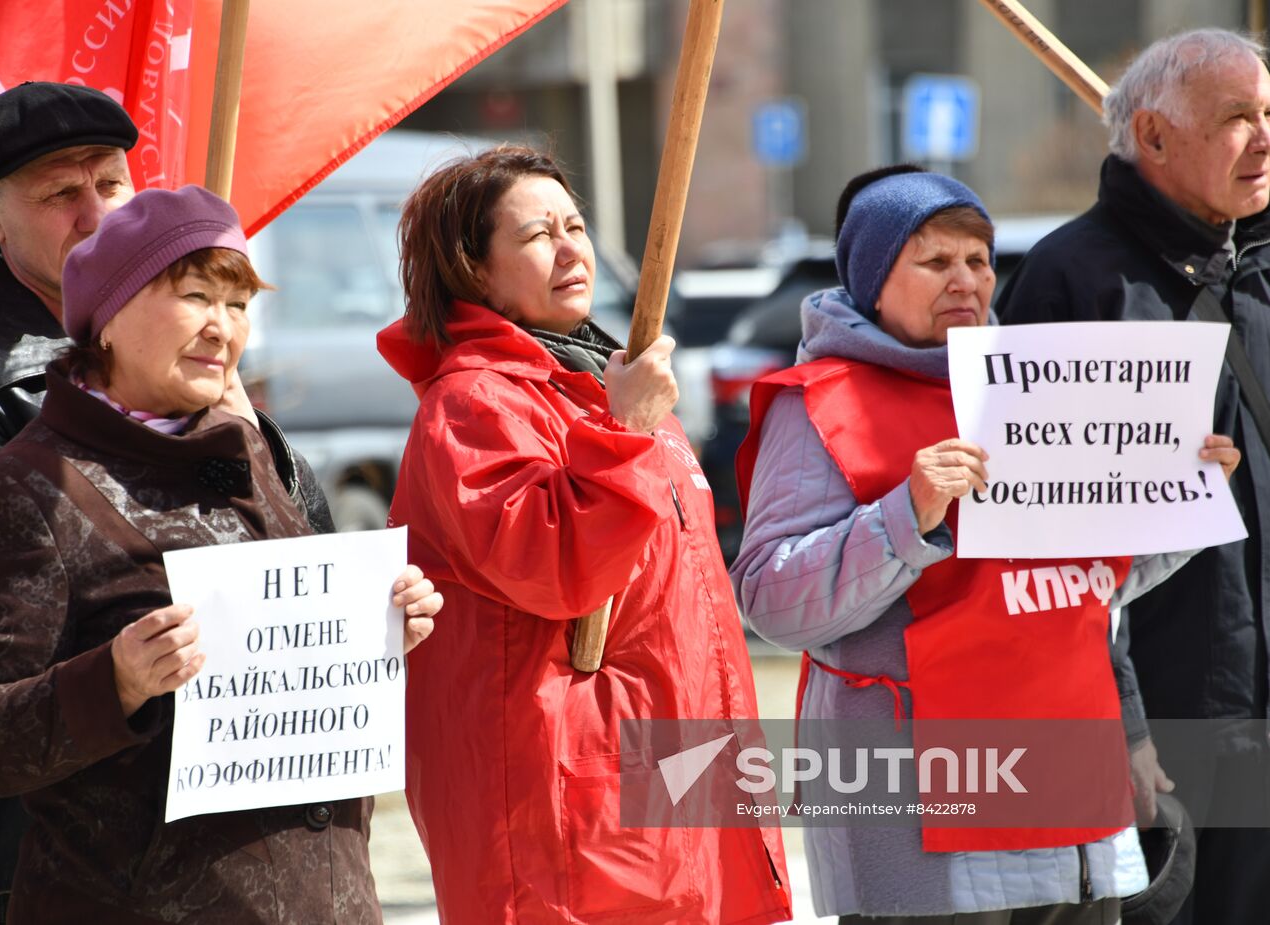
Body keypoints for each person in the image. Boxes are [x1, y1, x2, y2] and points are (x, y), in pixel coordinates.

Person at [0, 81, 331, 924]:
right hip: (61, 852)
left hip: (246, 843)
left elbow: (297, 558)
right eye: (60, 194)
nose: (96, 213)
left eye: (111, 184)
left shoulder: (195, 364)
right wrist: (138, 655)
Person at [731, 166, 1241, 924]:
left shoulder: (1041, 389)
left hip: (1070, 779)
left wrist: (1182, 500)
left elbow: (1088, 580)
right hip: (923, 808)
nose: (965, 280)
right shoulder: (819, 404)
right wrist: (909, 513)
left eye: (979, 260)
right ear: (872, 279)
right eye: (935, 261)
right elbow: (773, 600)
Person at [0, 184, 441, 923]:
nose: (222, 328)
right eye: (197, 296)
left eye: (237, 306)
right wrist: (116, 681)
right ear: (109, 312)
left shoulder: (248, 448)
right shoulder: (29, 491)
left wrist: (381, 628)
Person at [375, 145, 792, 924]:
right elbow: (556, 565)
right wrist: (624, 427)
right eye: (537, 235)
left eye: (575, 224)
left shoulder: (603, 380)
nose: (572, 248)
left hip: (672, 776)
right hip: (568, 812)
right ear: (473, 269)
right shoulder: (473, 405)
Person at [996, 29, 1270, 925]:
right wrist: (1122, 727)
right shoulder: (1068, 282)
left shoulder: (1258, 271)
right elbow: (1041, 550)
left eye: (1268, 114)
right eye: (1237, 118)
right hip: (1166, 726)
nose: (1265, 137)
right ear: (1152, 138)